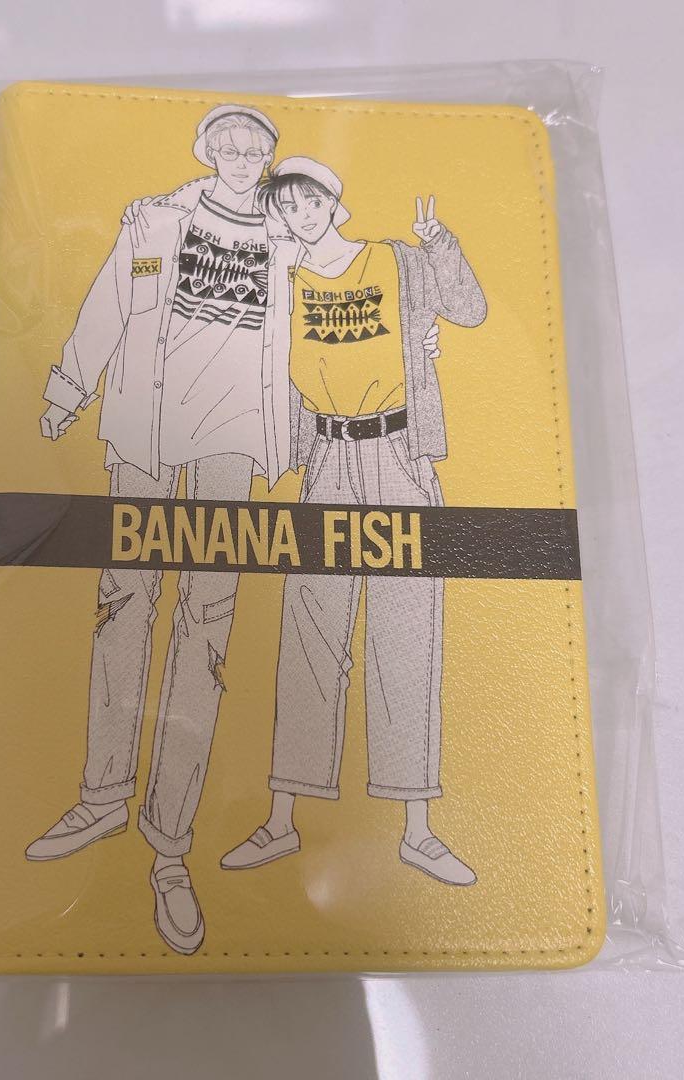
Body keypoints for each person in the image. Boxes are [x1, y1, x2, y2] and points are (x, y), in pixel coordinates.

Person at [24, 105, 300, 956]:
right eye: (228, 143)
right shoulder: (155, 220)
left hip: (231, 449)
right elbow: (108, 302)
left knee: (205, 632)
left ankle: (169, 847)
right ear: (205, 149)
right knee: (122, 608)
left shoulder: (291, 236)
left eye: (256, 146)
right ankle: (101, 798)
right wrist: (68, 390)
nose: (242, 156)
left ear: (270, 157)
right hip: (142, 437)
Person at [221, 158, 487, 886]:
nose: (300, 213)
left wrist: (438, 243)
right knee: (309, 635)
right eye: (286, 206)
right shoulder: (283, 282)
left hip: (397, 454)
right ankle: (281, 821)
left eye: (310, 200)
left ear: (334, 202)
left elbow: (468, 309)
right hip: (327, 460)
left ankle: (418, 831)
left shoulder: (395, 260)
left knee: (406, 634)